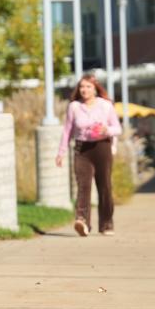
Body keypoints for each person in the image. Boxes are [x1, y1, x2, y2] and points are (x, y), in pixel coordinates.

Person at [55, 74, 122, 237]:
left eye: (88, 87)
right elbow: (67, 131)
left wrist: (107, 130)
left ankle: (106, 224)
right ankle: (82, 221)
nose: (84, 90)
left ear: (95, 89)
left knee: (104, 186)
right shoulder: (74, 107)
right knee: (83, 186)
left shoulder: (106, 105)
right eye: (82, 87)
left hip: (102, 147)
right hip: (82, 149)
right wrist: (61, 152)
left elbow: (118, 129)